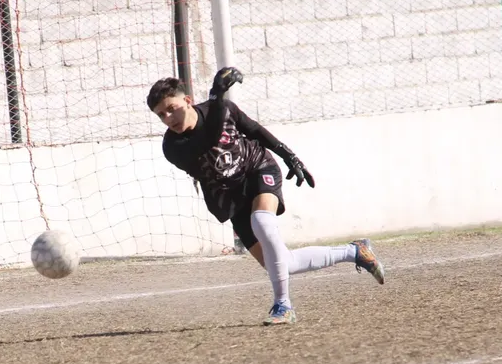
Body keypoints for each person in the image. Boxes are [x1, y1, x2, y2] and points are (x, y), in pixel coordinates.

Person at [146, 67, 385, 325]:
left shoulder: (224, 109)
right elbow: (208, 139)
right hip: (231, 197)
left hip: (257, 168)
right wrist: (216, 94)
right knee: (281, 263)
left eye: (171, 108)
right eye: (161, 115)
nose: (168, 118)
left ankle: (283, 306)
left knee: (262, 221)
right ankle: (355, 251)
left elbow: (256, 131)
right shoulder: (173, 147)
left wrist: (289, 156)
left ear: (187, 101)